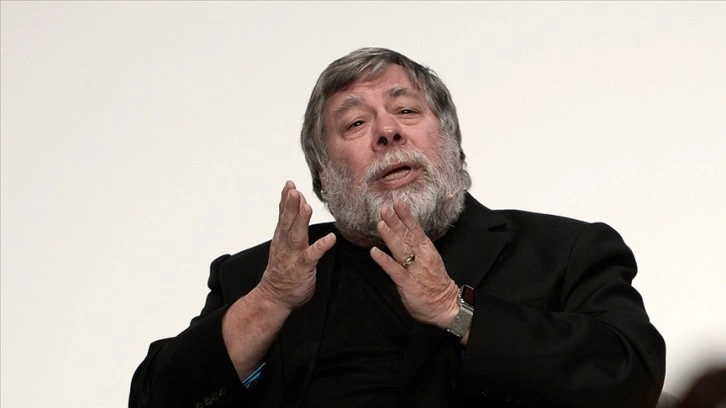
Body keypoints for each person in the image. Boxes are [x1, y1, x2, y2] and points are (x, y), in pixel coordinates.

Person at [129, 47, 666, 408]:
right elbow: (155, 399)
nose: (386, 131)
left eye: (406, 111)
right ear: (322, 177)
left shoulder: (564, 252)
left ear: (453, 144)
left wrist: (456, 311)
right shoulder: (259, 278)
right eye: (355, 123)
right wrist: (269, 302)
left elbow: (632, 376)